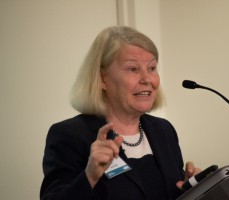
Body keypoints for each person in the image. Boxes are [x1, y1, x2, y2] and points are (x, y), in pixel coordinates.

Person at [40, 26, 200, 200]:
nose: (147, 79)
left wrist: (189, 190)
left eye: (152, 68)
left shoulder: (163, 130)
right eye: (133, 69)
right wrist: (89, 177)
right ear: (102, 79)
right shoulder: (69, 136)